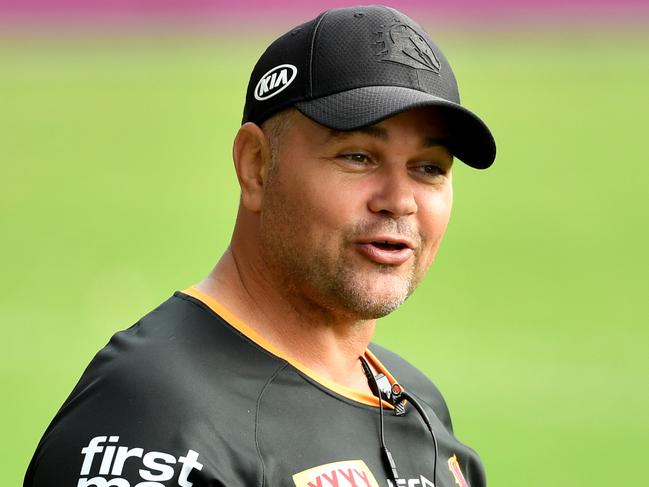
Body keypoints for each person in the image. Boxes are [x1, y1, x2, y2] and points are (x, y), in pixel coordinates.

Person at [25, 5, 496, 487]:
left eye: (429, 168)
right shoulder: (154, 429)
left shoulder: (417, 404)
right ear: (256, 165)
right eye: (358, 157)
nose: (399, 201)